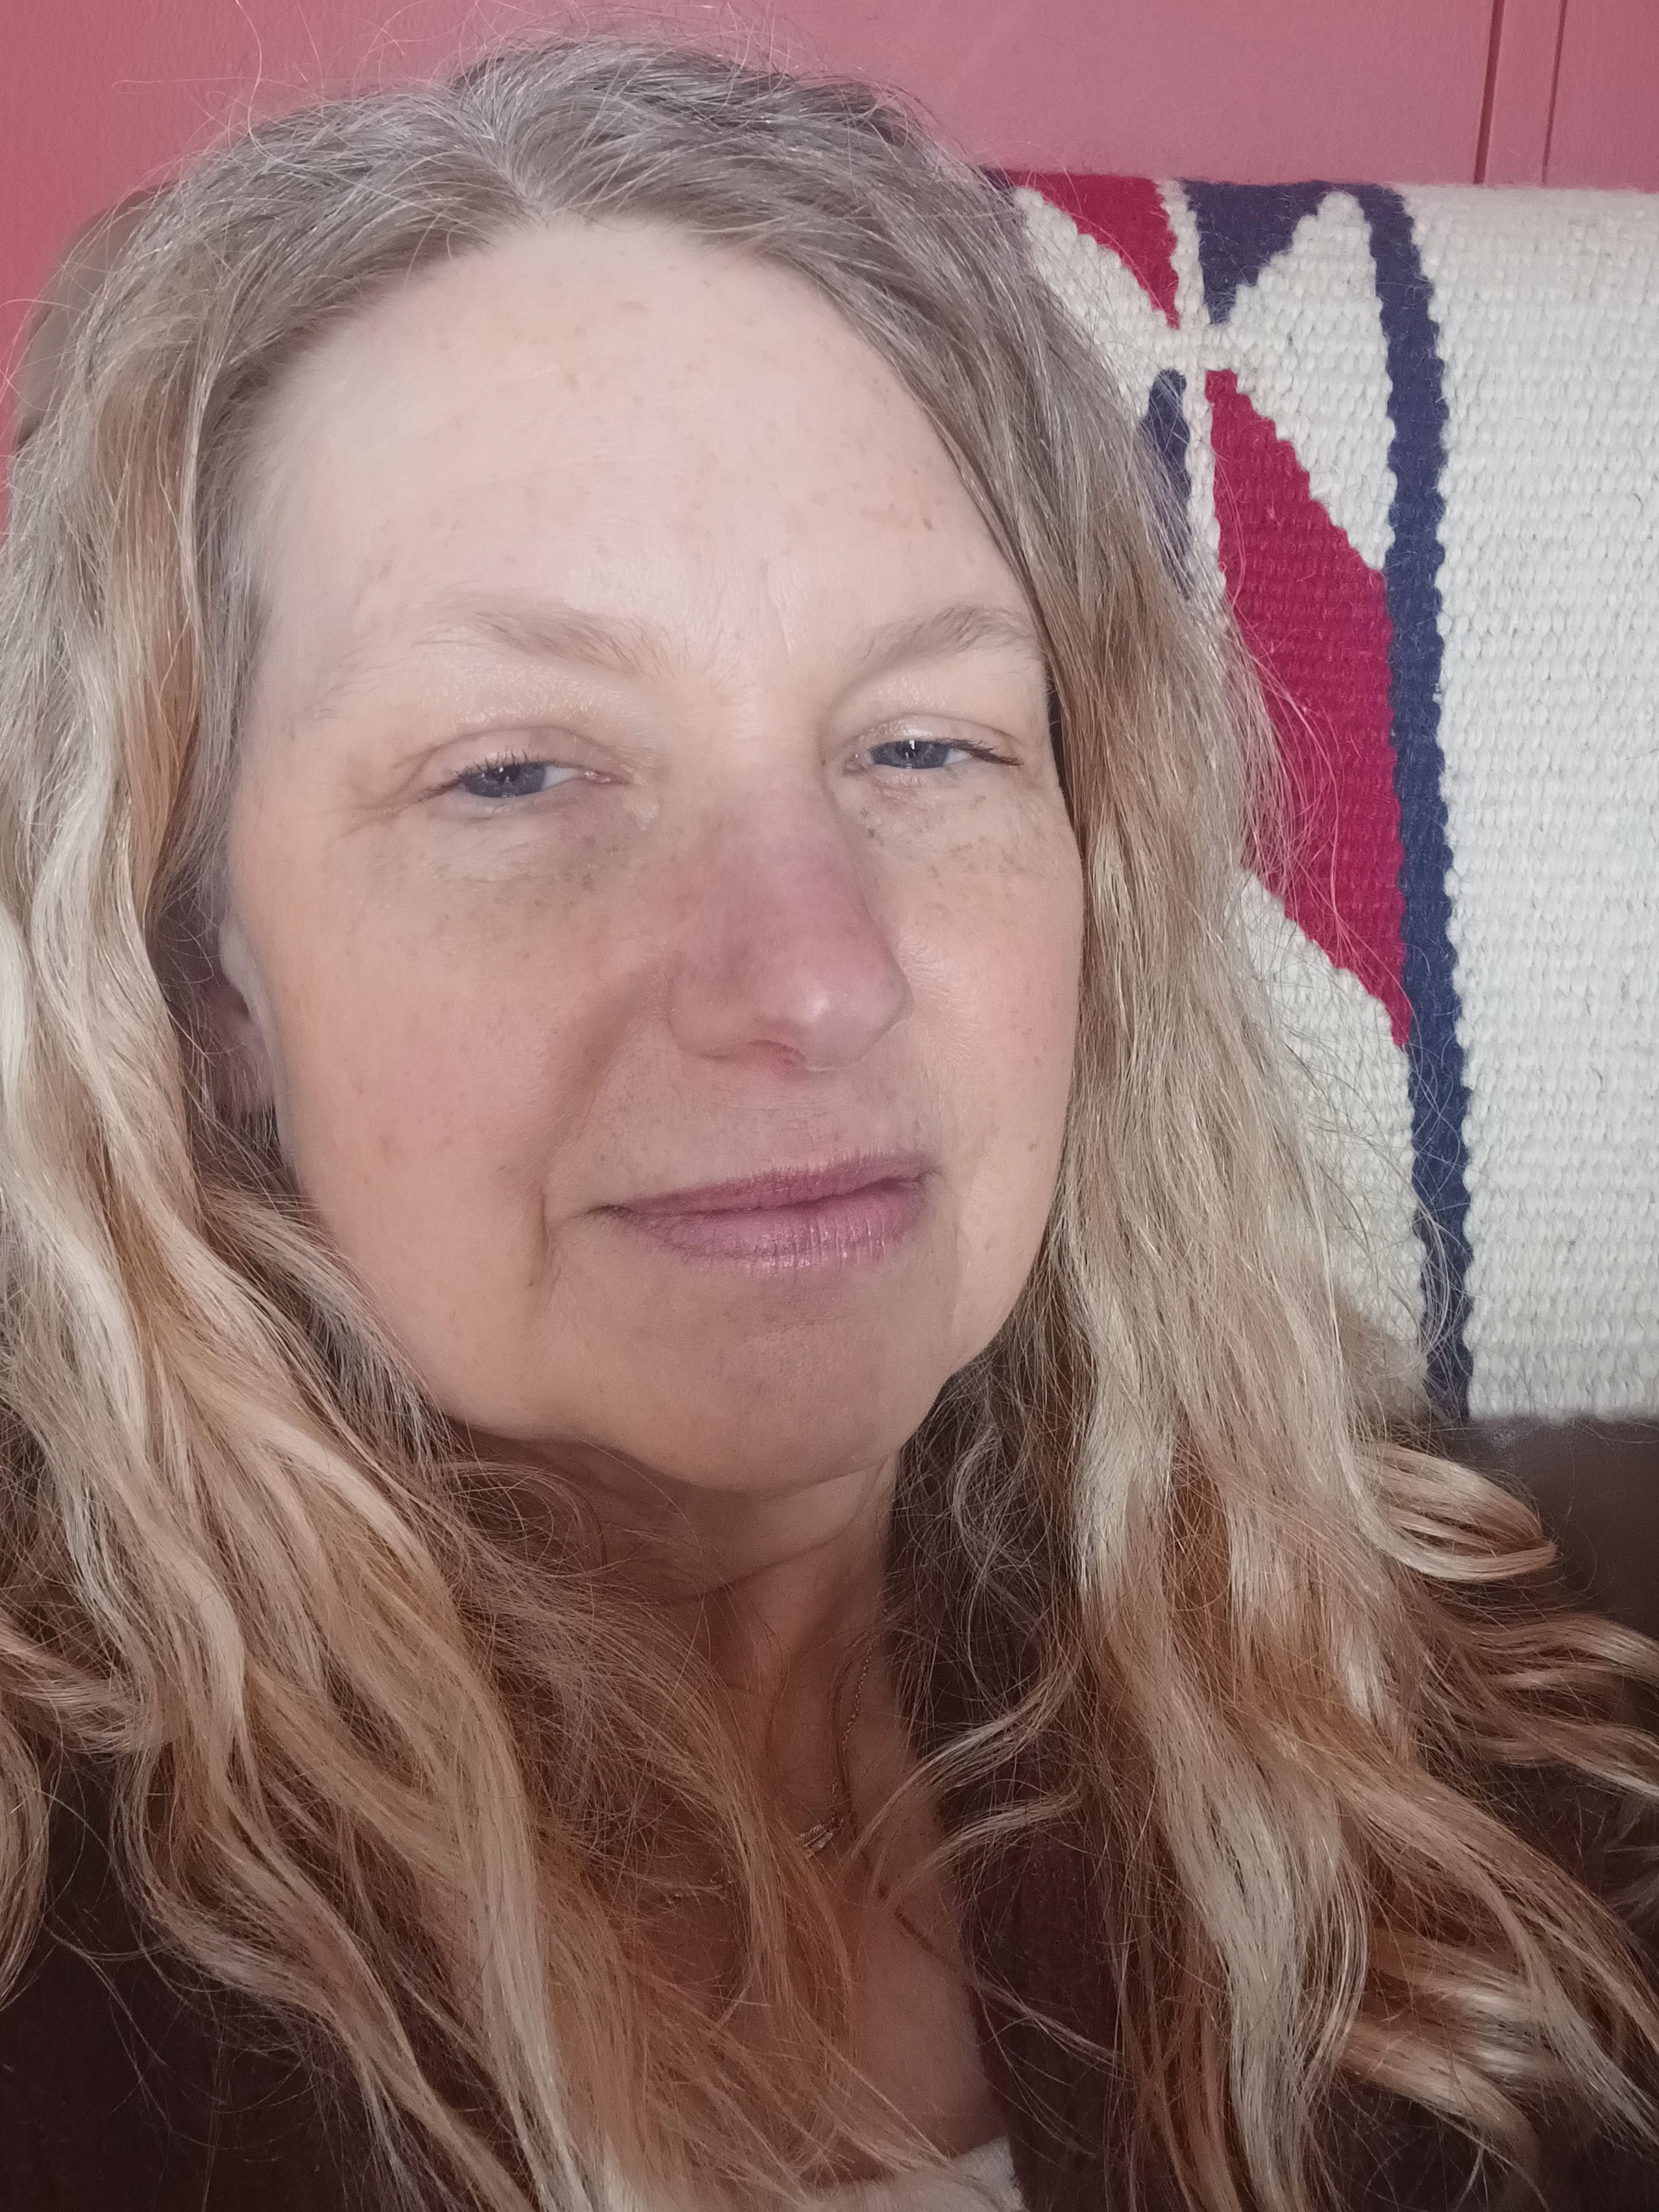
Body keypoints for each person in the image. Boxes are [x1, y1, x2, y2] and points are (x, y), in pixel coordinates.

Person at [1, 32, 1656, 2212]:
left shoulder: (1503, 1733)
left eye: (923, 747)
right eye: (516, 772)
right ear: (199, 969)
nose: (810, 974)